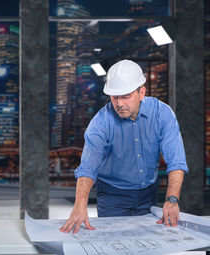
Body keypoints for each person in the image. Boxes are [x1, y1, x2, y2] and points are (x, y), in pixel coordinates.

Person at [59, 59, 189, 234]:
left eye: (126, 96)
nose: (119, 104)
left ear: (141, 93)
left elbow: (176, 161)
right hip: (113, 196)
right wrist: (80, 205)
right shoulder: (101, 122)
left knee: (147, 245)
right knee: (114, 244)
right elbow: (88, 168)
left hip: (148, 193)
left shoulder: (162, 114)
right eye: (115, 97)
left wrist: (172, 200)